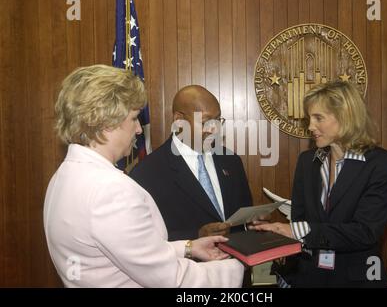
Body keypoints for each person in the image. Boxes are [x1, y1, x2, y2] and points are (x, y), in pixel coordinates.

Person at [43, 65, 244, 287]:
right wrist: (239, 266)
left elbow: (134, 252)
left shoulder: (63, 176)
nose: (139, 129)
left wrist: (187, 247)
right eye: (134, 118)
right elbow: (172, 279)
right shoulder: (110, 190)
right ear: (105, 121)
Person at [251, 80, 387, 287]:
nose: (311, 126)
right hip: (308, 277)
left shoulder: (382, 164)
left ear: (345, 116)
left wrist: (297, 231)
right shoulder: (307, 161)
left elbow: (365, 232)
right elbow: (300, 219)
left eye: (318, 118)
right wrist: (277, 234)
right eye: (309, 119)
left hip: (356, 280)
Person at [130, 85, 253, 240]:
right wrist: (195, 236)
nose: (214, 130)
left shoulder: (232, 161)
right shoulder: (147, 173)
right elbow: (142, 240)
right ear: (179, 120)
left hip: (236, 261)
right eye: (206, 122)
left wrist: (253, 223)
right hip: (186, 263)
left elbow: (243, 218)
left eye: (217, 120)